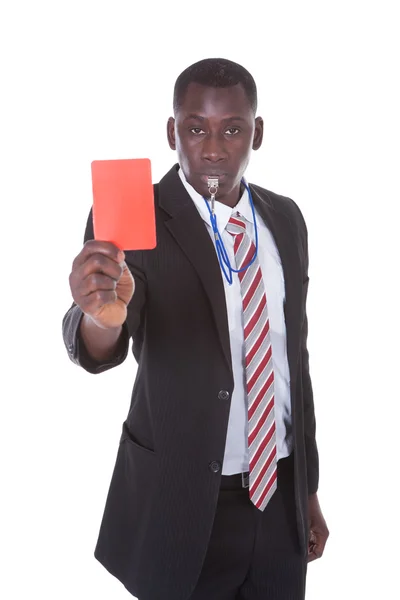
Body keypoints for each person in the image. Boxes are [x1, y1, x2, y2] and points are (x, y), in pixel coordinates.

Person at [62, 57, 329, 600]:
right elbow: (104, 333)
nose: (212, 147)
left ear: (257, 132)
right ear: (171, 132)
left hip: (277, 496)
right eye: (195, 128)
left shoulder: (287, 219)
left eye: (232, 129)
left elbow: (290, 361)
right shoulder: (136, 217)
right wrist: (98, 315)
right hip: (182, 504)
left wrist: (308, 489)